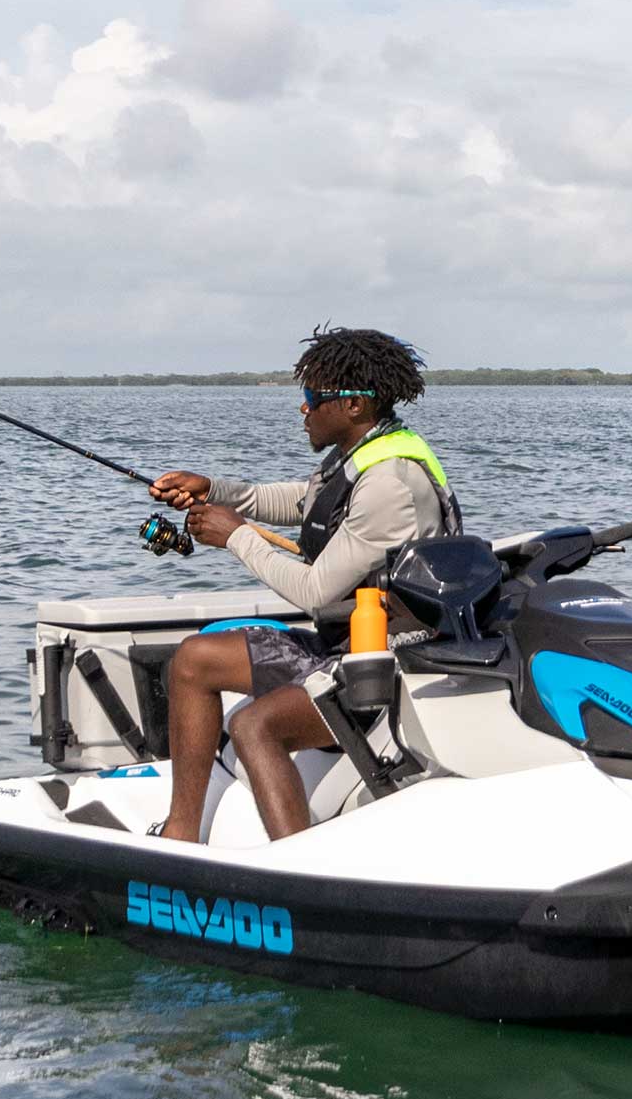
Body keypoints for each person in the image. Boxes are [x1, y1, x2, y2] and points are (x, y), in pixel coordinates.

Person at [145, 326, 459, 843]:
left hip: (386, 662)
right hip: (347, 641)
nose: (303, 409)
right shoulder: (369, 453)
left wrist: (237, 537)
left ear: (354, 404)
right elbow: (303, 505)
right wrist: (215, 490)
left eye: (313, 398)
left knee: (254, 726)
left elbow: (314, 591)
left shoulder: (390, 484)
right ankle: (181, 832)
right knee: (193, 660)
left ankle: (294, 863)